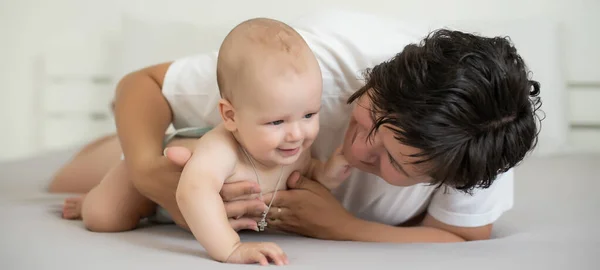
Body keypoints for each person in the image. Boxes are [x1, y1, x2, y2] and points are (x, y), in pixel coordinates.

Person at [50, 11, 542, 245]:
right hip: (197, 149)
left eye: (393, 161)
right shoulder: (311, 71)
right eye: (370, 116)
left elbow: (462, 237)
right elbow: (144, 85)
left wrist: (342, 227)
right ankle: (111, 150)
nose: (358, 146)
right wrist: (143, 170)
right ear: (378, 77)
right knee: (73, 184)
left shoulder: (477, 145)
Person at [61, 18, 352, 266]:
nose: (296, 133)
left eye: (309, 114)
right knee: (105, 218)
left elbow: (304, 172)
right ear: (230, 116)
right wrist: (231, 248)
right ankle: (92, 198)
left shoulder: (293, 146)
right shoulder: (221, 149)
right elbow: (192, 193)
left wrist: (325, 173)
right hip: (153, 182)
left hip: (188, 215)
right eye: (276, 122)